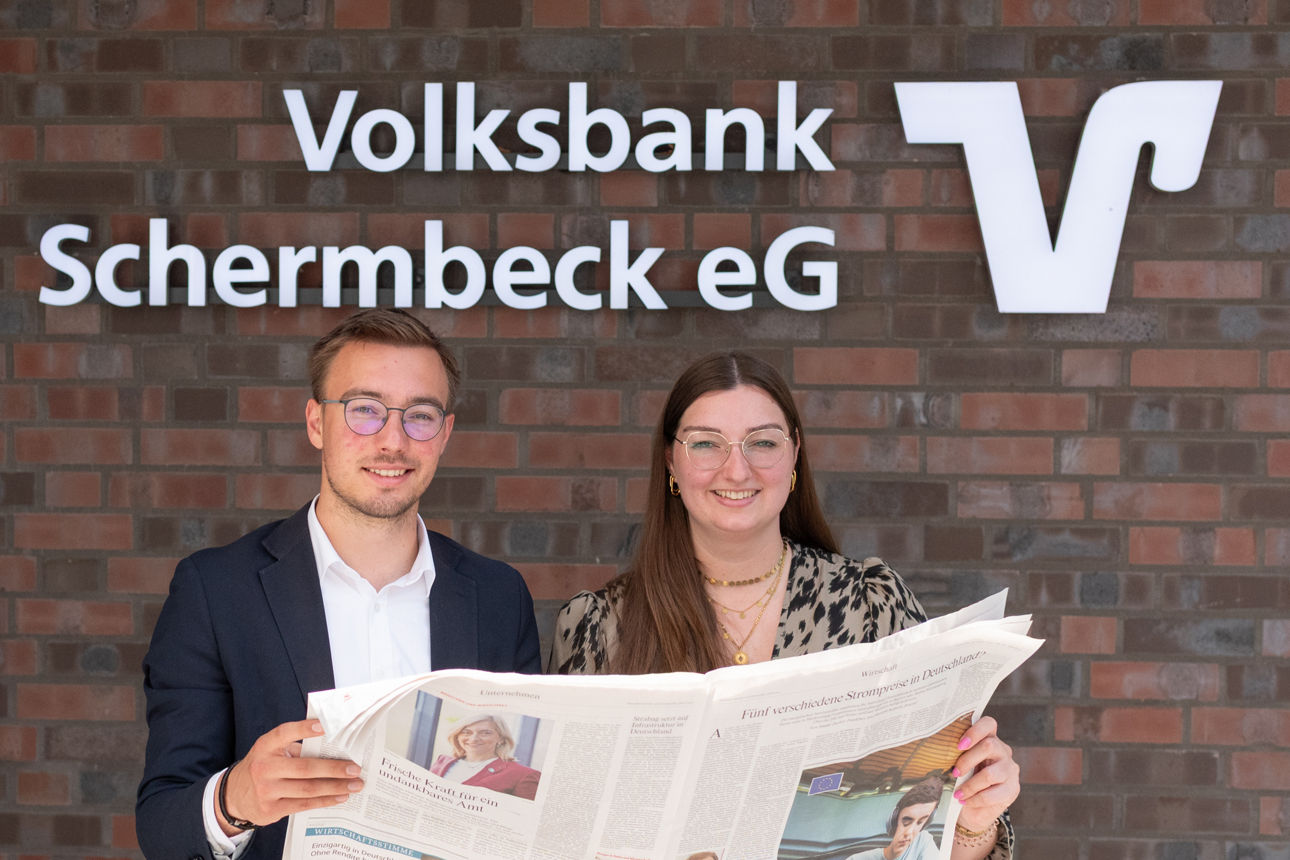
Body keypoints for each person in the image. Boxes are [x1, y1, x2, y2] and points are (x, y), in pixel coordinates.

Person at [549, 352, 1018, 860]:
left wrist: (975, 820)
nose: (736, 468)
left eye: (763, 443)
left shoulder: (870, 604)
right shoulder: (597, 627)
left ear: (794, 456)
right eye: (706, 443)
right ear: (671, 462)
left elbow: (938, 833)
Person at [137, 309, 542, 860]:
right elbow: (162, 826)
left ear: (444, 434)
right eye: (365, 411)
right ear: (316, 423)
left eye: (419, 415)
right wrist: (234, 801)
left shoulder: (498, 596)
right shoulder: (216, 590)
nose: (392, 441)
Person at [429, 715, 541, 800]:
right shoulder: (442, 761)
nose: (473, 739)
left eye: (485, 733)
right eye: (466, 732)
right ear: (457, 736)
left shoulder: (523, 775)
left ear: (501, 739)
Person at [846, 777, 944, 860]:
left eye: (920, 822)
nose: (909, 832)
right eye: (906, 822)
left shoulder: (923, 841)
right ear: (894, 820)